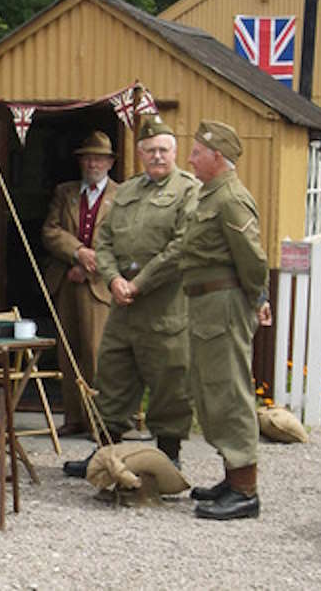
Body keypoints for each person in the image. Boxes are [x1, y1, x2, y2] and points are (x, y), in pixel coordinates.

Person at [62, 115, 198, 477]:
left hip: (164, 306)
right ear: (139, 154)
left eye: (164, 150)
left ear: (175, 152)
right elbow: (102, 243)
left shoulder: (189, 191)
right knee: (112, 376)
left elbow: (182, 247)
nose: (157, 156)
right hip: (121, 305)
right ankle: (104, 454)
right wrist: (113, 279)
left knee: (169, 380)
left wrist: (139, 283)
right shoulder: (127, 193)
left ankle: (169, 456)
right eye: (151, 150)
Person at [180, 120, 271, 521]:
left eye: (197, 152)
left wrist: (258, 297)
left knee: (230, 393)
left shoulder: (231, 198)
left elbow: (252, 260)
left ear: (218, 157)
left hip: (224, 305)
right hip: (205, 305)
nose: (190, 159)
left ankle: (246, 490)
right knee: (209, 391)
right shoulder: (210, 195)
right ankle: (232, 478)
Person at [41, 131, 120, 437]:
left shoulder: (121, 195)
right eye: (88, 157)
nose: (92, 163)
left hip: (99, 286)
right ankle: (74, 417)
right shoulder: (66, 192)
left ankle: (100, 421)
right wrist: (76, 253)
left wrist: (90, 267)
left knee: (96, 353)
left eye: (99, 158)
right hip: (66, 280)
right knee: (68, 352)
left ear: (110, 162)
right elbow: (50, 231)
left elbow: (123, 241)